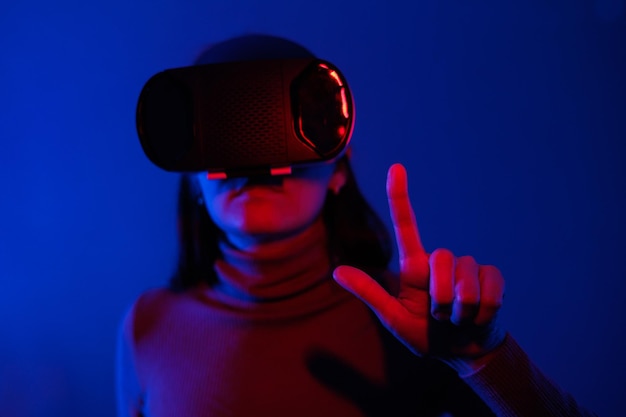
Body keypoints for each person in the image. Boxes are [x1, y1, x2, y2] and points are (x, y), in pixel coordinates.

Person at [116, 34, 596, 417]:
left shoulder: (413, 319)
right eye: (227, 135)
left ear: (339, 172)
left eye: (274, 124)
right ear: (195, 180)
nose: (253, 160)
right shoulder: (148, 325)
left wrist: (483, 359)